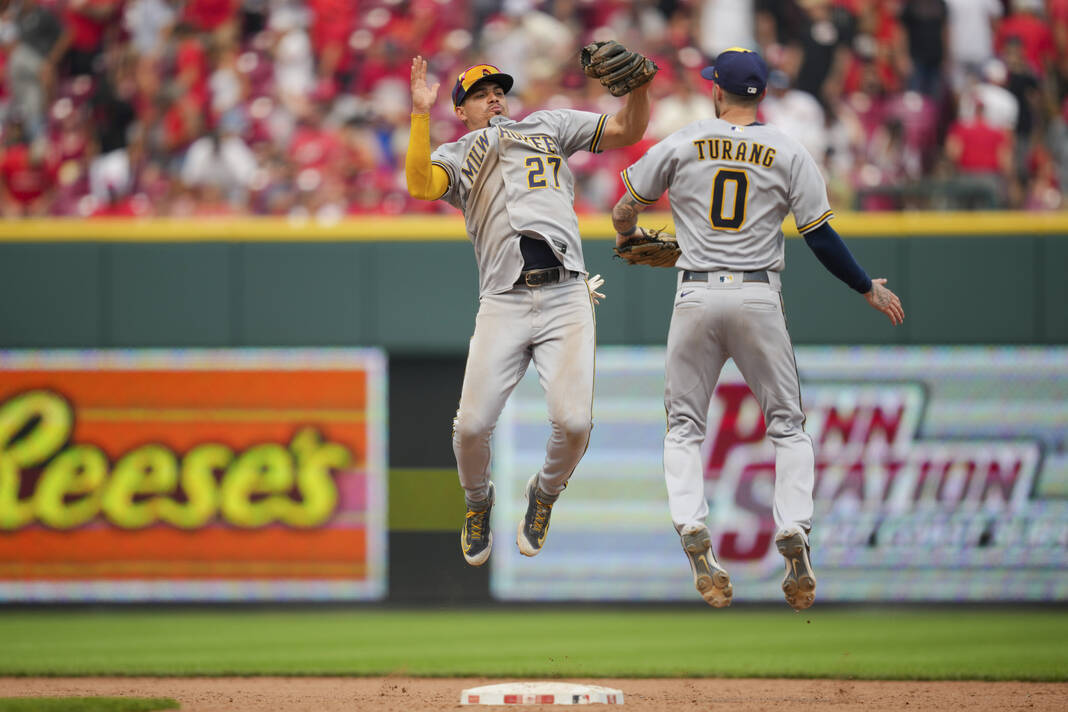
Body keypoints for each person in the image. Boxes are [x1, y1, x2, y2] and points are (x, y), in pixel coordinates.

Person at [610, 48, 904, 609]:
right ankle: (793, 527)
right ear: (761, 94)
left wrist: (627, 233)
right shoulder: (787, 149)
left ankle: (691, 526)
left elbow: (627, 208)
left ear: (717, 91)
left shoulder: (685, 139)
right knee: (788, 427)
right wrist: (866, 285)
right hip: (758, 294)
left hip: (694, 291)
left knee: (683, 429)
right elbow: (820, 237)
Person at [406, 55, 651, 566]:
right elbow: (420, 185)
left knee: (575, 424)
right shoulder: (455, 152)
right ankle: (478, 503)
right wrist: (419, 116)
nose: (493, 96)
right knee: (470, 428)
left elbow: (628, 128)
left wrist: (639, 89)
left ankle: (544, 495)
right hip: (504, 300)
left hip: (567, 296)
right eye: (479, 93)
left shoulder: (550, 124)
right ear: (462, 109)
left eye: (497, 89)